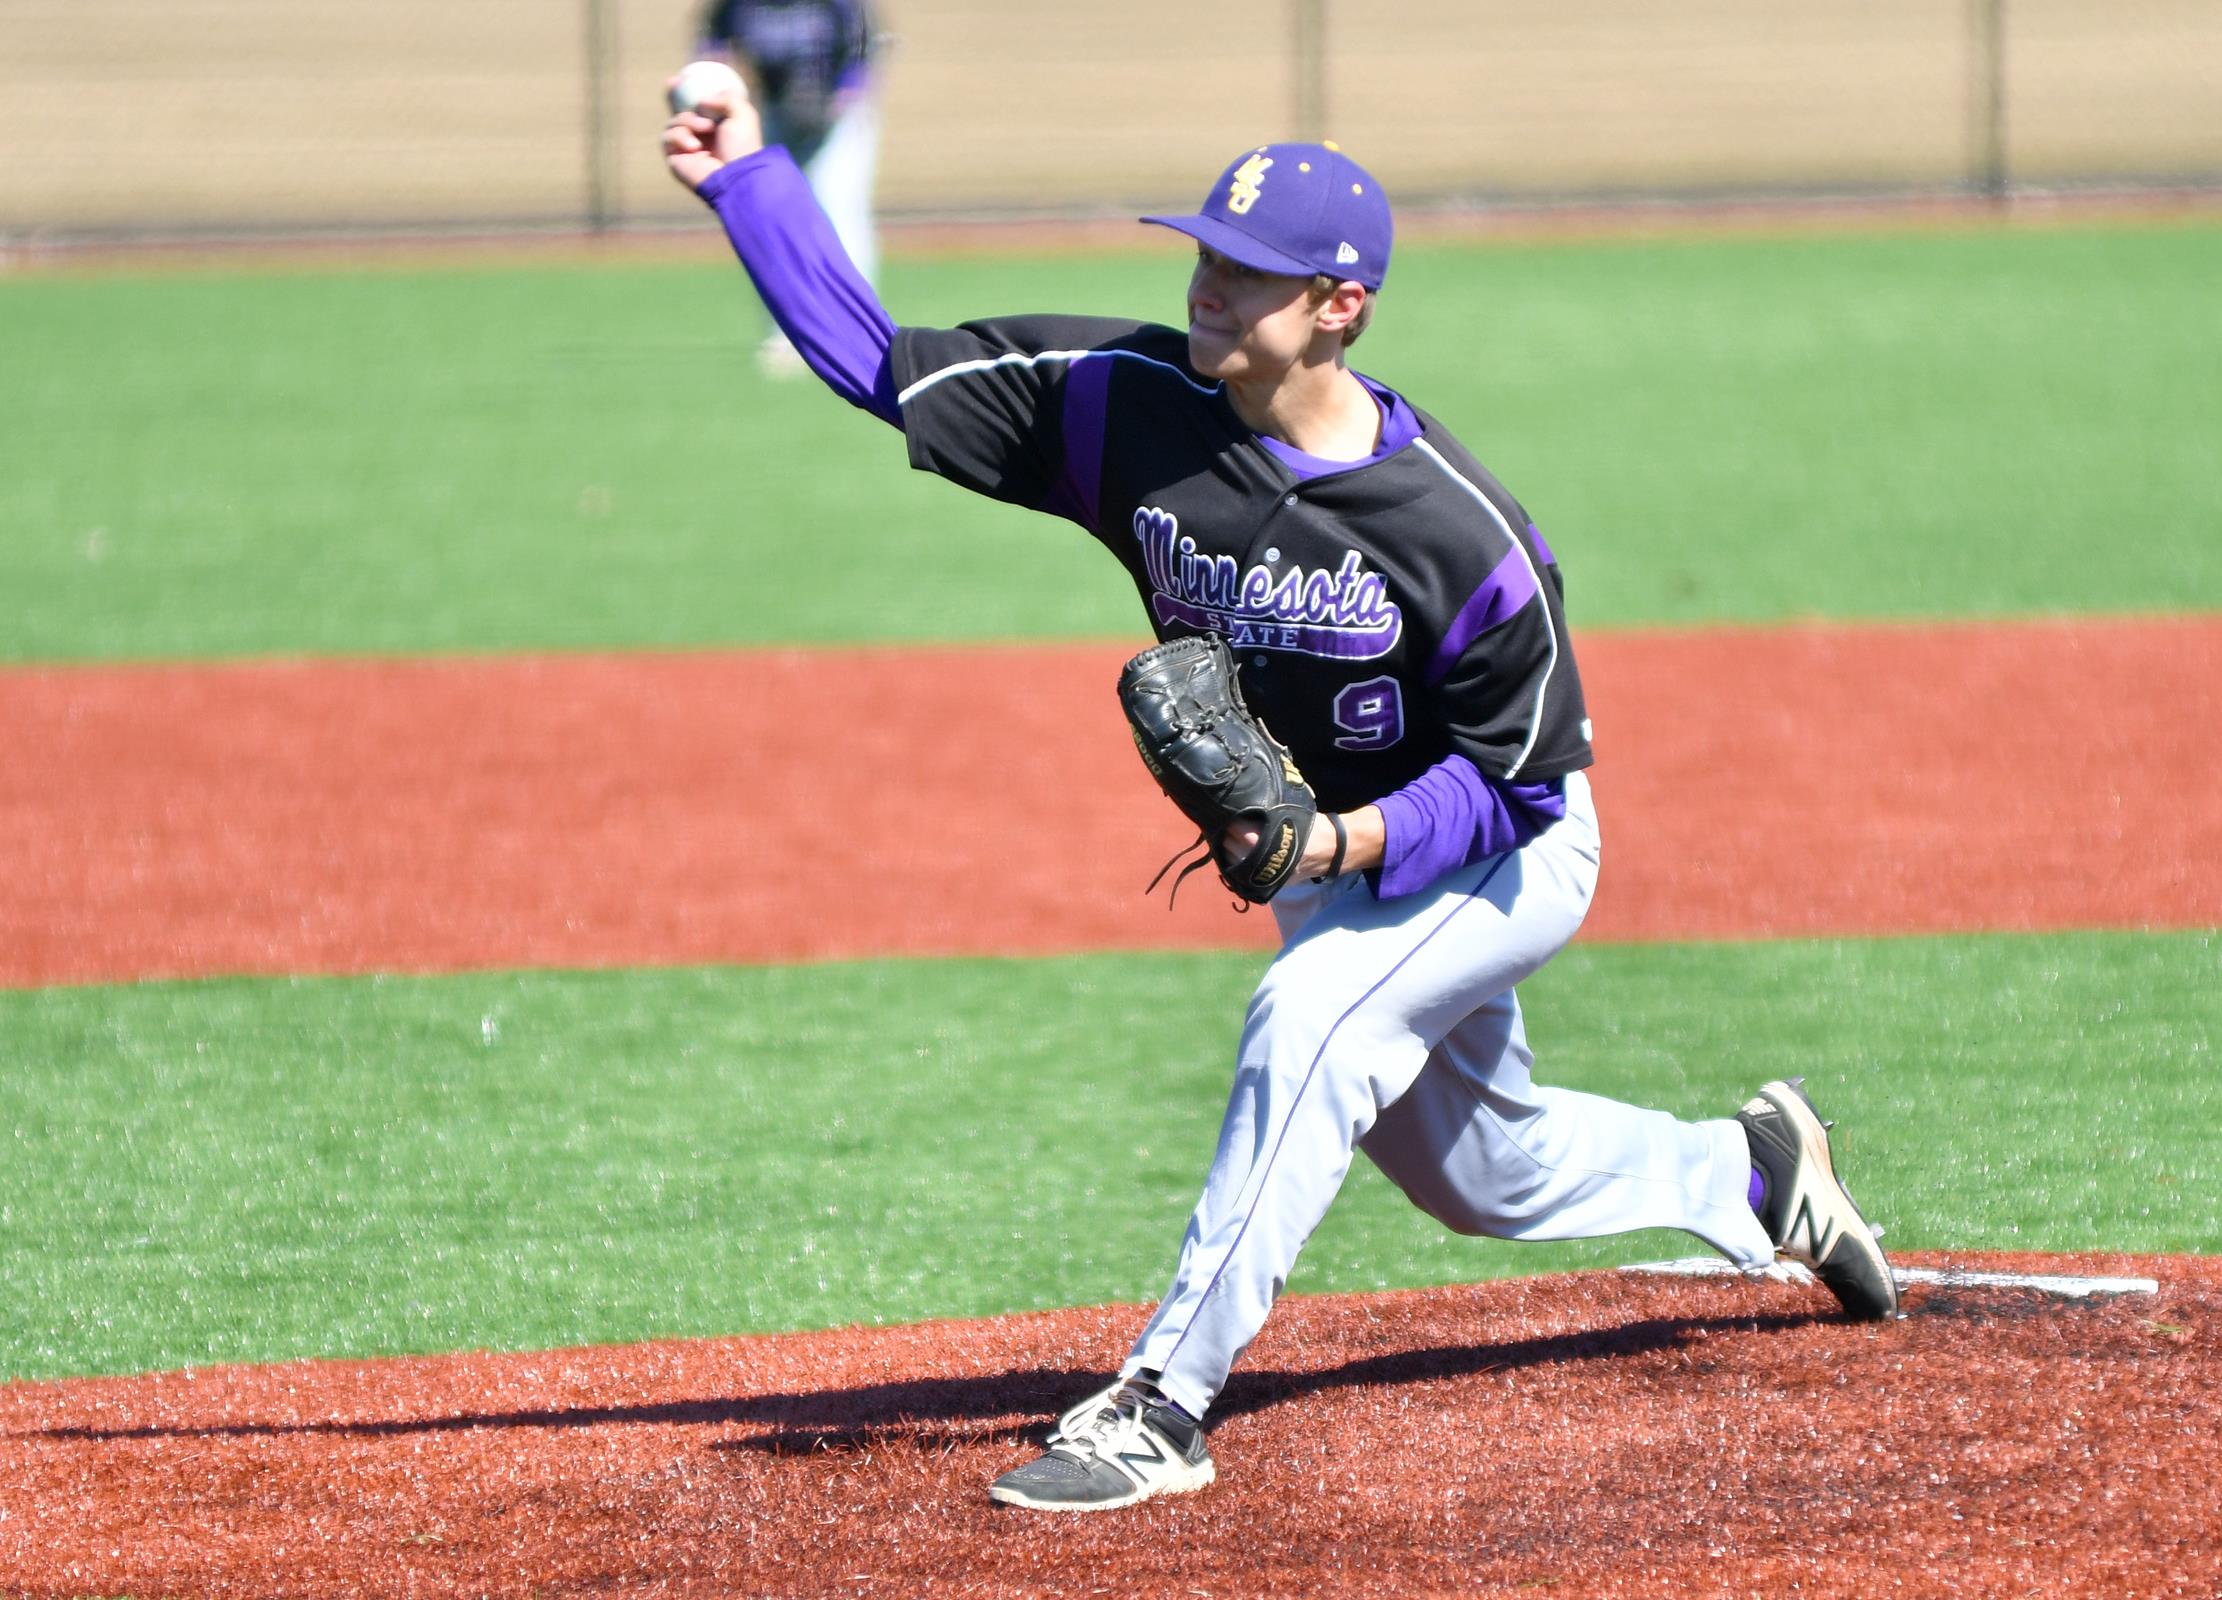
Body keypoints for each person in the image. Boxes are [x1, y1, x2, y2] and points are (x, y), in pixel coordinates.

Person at [661, 99, 1901, 1514]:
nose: (1208, 284)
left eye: (1247, 271)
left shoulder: (1460, 534)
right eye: (1206, 253)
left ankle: (1162, 1403)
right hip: (1332, 859)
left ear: (1338, 307)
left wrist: (1340, 843)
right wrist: (747, 181)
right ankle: (1750, 1173)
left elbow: (1517, 781)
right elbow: (883, 366)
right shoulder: (1124, 406)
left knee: (1310, 1017)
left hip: (1497, 847)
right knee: (1487, 1174)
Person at [688, 0, 883, 369]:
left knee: (840, 215)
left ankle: (861, 338)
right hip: (772, 112)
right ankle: (788, 335)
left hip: (836, 118)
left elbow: (865, 39)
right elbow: (712, 38)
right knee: (772, 219)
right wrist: (708, 77)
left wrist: (848, 89)